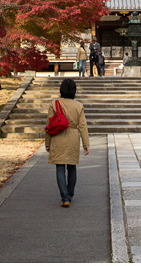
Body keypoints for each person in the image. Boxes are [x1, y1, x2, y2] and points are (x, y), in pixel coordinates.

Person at [45, 78, 90, 207]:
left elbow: (49, 125)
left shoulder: (54, 104)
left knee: (60, 168)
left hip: (57, 137)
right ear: (74, 91)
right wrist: (86, 144)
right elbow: (83, 126)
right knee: (71, 167)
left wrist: (47, 143)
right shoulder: (78, 106)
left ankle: (64, 197)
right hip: (72, 137)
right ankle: (70, 194)